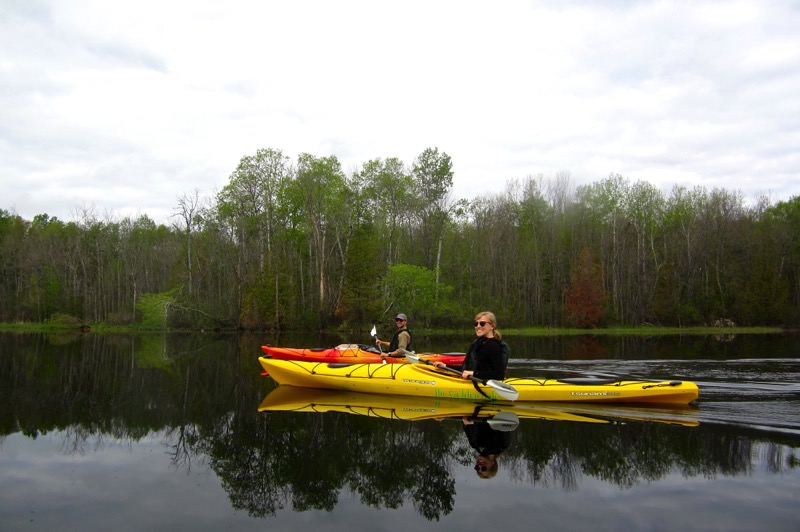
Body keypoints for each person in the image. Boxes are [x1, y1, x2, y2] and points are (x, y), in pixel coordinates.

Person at [441, 311, 506, 381]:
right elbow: (465, 369)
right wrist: (445, 366)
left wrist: (474, 374)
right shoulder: (476, 344)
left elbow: (499, 375)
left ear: (492, 326)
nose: (478, 326)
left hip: (486, 385)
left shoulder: (494, 346)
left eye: (482, 324)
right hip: (473, 381)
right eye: (476, 324)